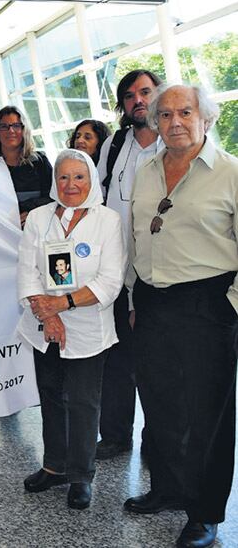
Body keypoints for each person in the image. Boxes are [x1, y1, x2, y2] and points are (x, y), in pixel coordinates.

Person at [124, 84, 237, 548]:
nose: (174, 121)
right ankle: (169, 489)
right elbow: (137, 236)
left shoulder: (230, 173)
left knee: (207, 416)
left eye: (184, 112)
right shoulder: (147, 171)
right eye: (165, 113)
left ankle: (205, 513)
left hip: (208, 304)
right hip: (152, 303)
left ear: (205, 117)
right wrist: (134, 299)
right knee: (161, 407)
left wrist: (231, 304)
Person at [17, 148, 125, 510]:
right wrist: (47, 316)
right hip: (43, 325)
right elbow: (27, 270)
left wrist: (61, 305)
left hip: (88, 328)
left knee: (83, 402)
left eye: (79, 177)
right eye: (63, 177)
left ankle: (81, 476)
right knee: (51, 397)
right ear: (54, 180)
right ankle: (54, 466)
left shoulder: (107, 220)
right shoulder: (39, 218)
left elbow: (110, 281)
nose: (70, 184)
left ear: (91, 180)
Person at [95, 69, 162, 461]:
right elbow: (99, 196)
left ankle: (157, 442)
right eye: (130, 95)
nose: (138, 100)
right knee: (116, 359)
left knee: (153, 364)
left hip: (156, 273)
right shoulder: (116, 143)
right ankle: (116, 435)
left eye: (145, 92)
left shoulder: (172, 145)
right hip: (115, 273)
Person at [0, 106, 53, 227]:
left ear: (23, 129)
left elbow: (54, 197)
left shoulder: (40, 162)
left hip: (36, 229)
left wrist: (30, 211)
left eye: (16, 125)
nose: (11, 131)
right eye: (4, 126)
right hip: (1, 233)